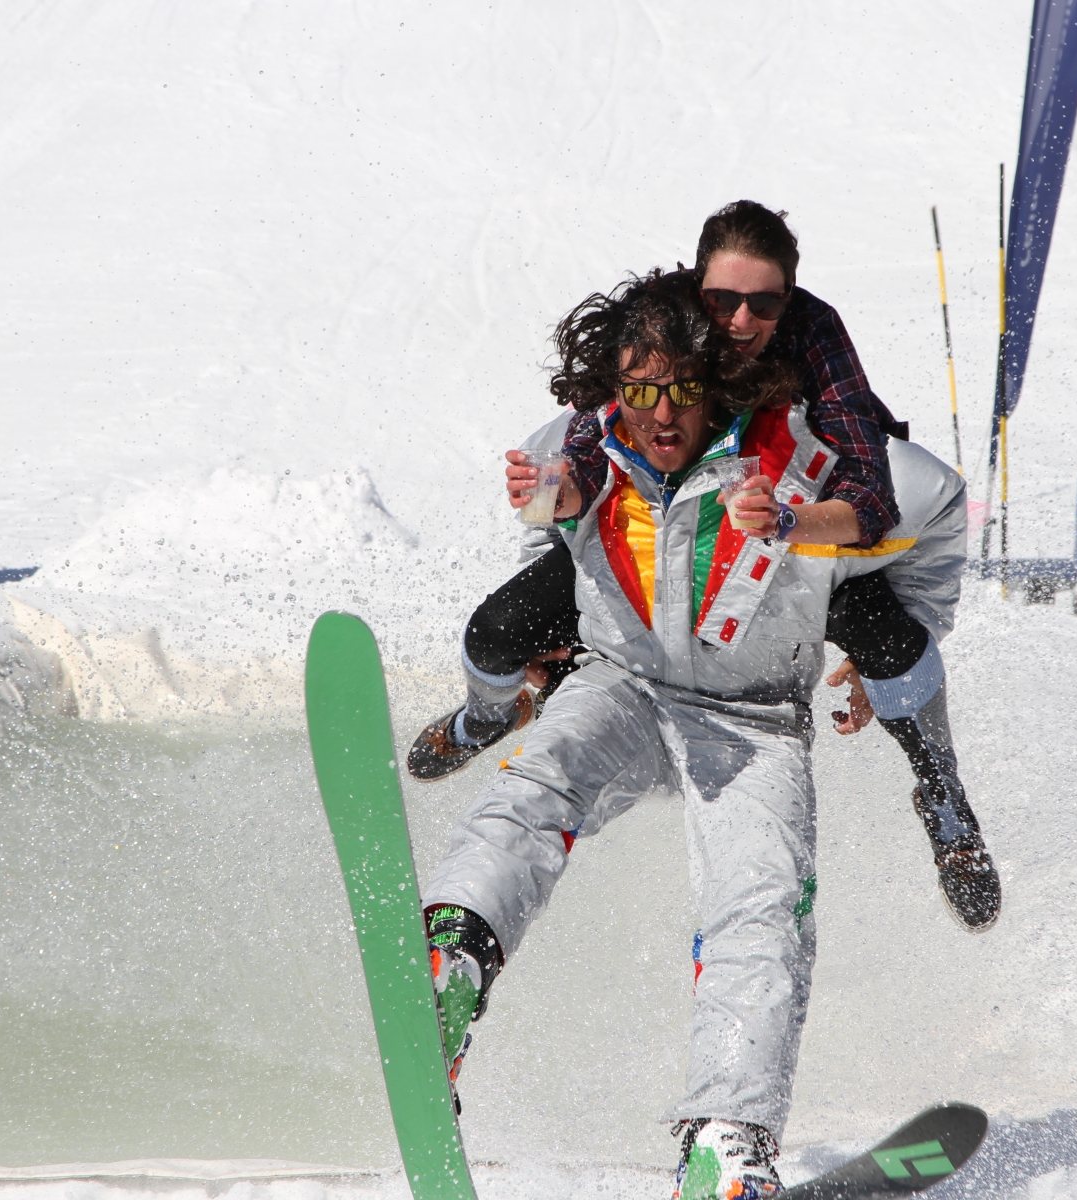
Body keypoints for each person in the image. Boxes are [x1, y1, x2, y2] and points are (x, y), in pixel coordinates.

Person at [421, 270, 969, 1200]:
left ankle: (726, 1139)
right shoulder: (576, 443)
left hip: (752, 719)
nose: (661, 413)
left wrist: (893, 641)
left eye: (680, 388)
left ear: (714, 380)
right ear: (613, 389)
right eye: (639, 391)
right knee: (533, 788)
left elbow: (944, 507)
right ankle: (450, 961)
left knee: (759, 906)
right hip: (621, 683)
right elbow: (544, 546)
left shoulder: (807, 454)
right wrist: (550, 637)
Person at [409, 201, 998, 929]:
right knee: (499, 627)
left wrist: (907, 621)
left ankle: (940, 785)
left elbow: (917, 502)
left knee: (885, 633)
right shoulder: (655, 351)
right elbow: (566, 463)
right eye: (723, 301)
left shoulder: (812, 375)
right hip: (646, 559)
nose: (742, 321)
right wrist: (560, 572)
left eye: (764, 303)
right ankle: (487, 714)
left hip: (793, 552)